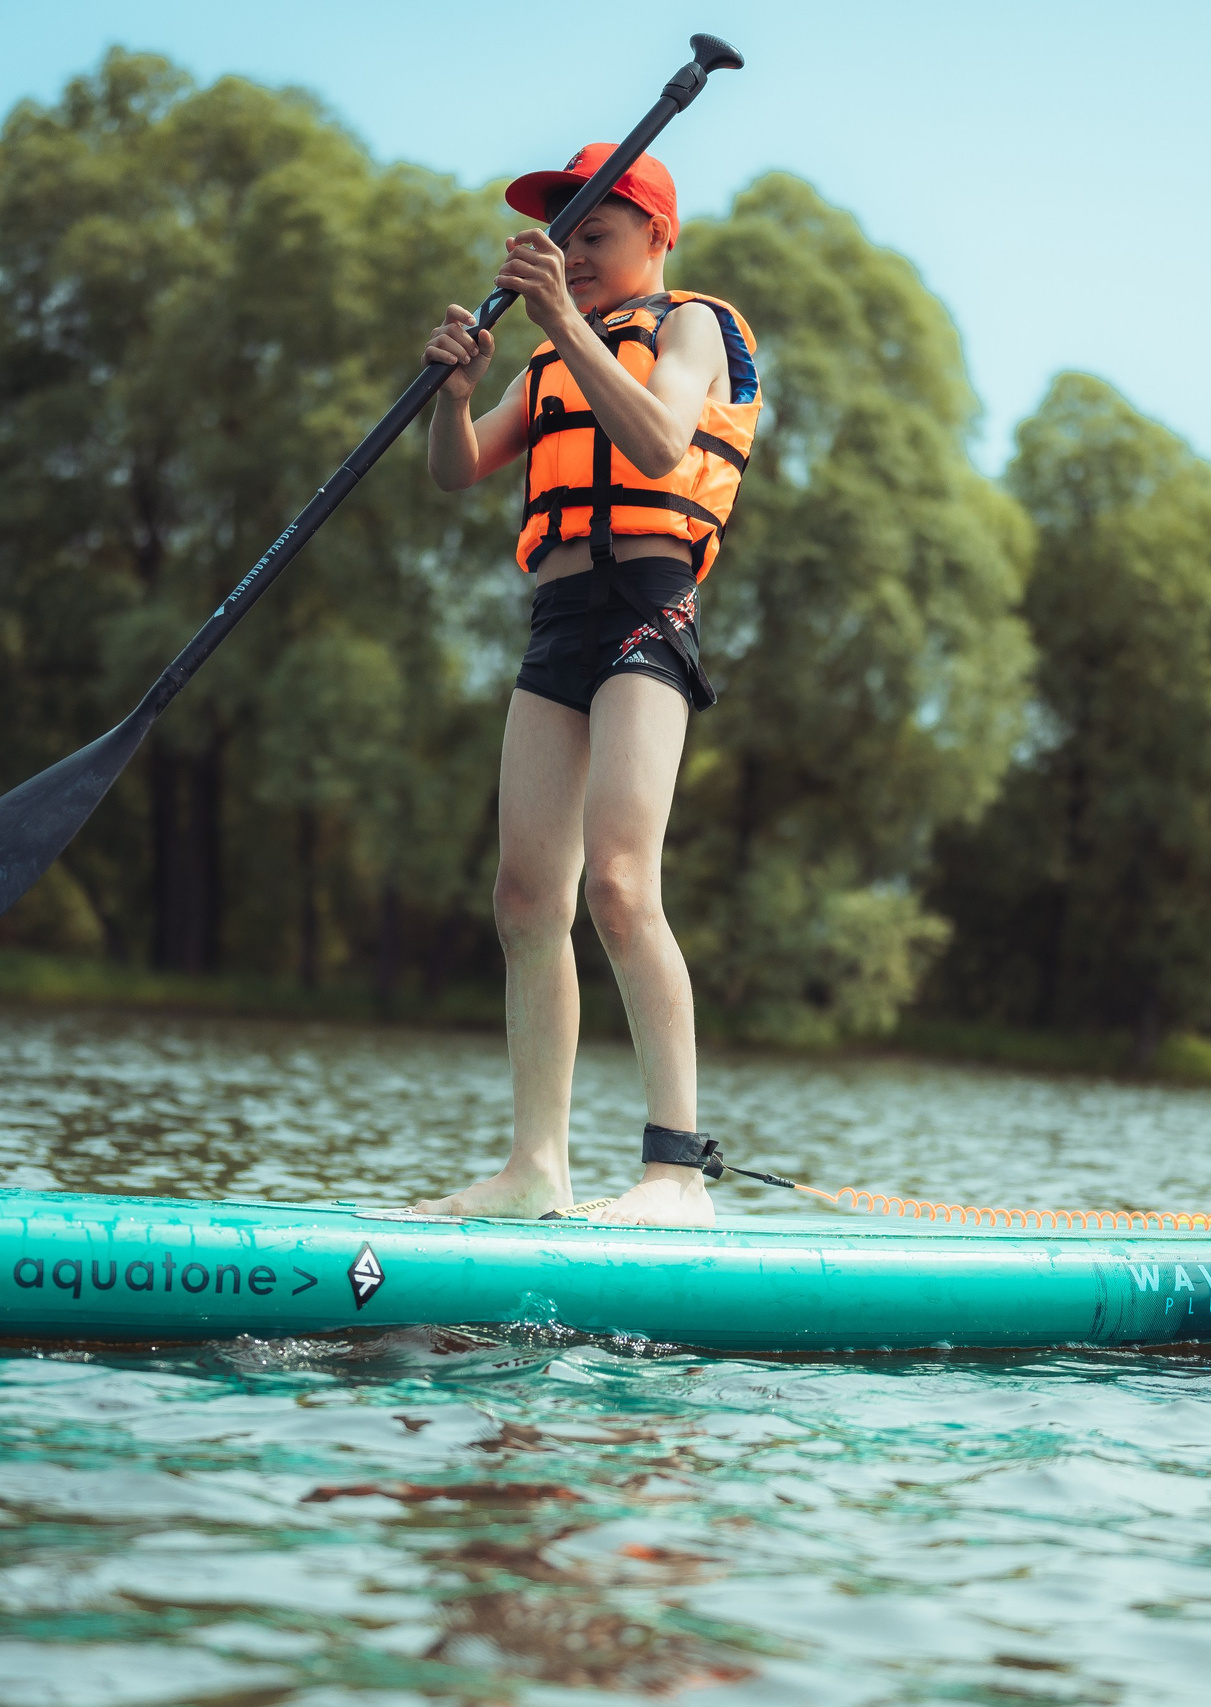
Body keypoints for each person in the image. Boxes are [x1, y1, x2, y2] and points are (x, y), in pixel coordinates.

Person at [411, 145, 762, 1227]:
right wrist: (455, 394)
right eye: (561, 243)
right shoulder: (552, 361)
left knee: (617, 883)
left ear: (657, 235)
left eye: (594, 237)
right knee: (524, 899)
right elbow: (455, 470)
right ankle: (536, 1168)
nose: (574, 257)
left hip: (645, 614)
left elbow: (660, 441)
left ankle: (672, 1176)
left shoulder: (690, 324)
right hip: (557, 625)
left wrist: (560, 318)